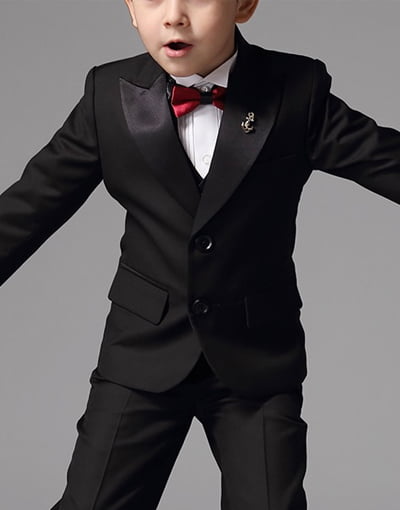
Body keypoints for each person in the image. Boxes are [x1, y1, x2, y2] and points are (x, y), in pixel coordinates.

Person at [1, 0, 399, 509]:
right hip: (142, 352)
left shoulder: (296, 88)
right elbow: (29, 207)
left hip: (256, 360)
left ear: (244, 4)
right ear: (130, 9)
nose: (173, 15)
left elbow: (387, 160)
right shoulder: (107, 93)